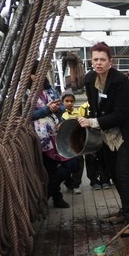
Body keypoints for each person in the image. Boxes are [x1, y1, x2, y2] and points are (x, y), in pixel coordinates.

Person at [78, 42, 129, 236]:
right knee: (113, 174)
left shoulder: (120, 80)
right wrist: (90, 121)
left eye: (102, 60)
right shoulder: (90, 79)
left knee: (124, 174)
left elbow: (123, 113)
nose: (98, 63)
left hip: (127, 132)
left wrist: (93, 122)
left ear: (110, 62)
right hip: (106, 132)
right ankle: (124, 211)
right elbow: (94, 106)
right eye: (95, 59)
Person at [31, 72, 78, 209]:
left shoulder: (49, 89)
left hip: (57, 132)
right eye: (35, 72)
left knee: (72, 162)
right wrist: (47, 109)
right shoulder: (24, 93)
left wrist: (58, 108)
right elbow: (25, 115)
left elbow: (62, 106)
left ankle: (48, 191)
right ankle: (57, 197)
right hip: (41, 137)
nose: (38, 75)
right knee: (50, 167)